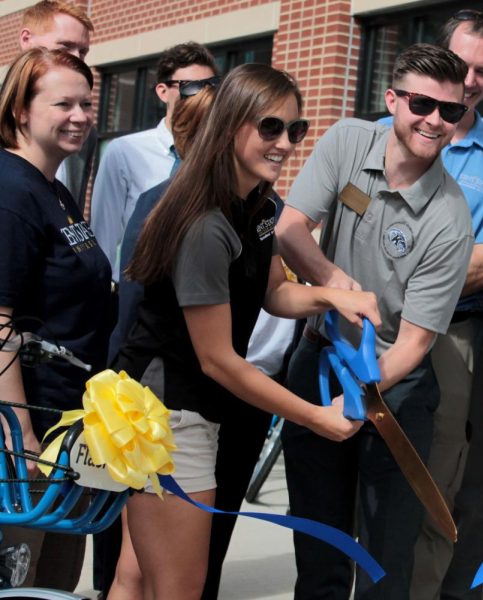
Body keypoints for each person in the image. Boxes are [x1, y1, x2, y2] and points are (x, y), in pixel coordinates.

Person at [105, 63, 380, 600]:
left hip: (169, 407)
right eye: (269, 127)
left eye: (295, 130)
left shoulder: (258, 204)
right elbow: (218, 360)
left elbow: (274, 292)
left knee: (134, 576)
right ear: (232, 125)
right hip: (168, 417)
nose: (285, 143)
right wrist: (313, 417)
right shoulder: (205, 224)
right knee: (179, 588)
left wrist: (332, 293)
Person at [275, 43, 473, 599]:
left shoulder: (450, 218)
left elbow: (413, 344)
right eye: (421, 103)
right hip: (317, 359)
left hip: (393, 388)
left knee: (386, 560)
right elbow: (291, 229)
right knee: (318, 545)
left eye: (450, 111)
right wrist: (334, 284)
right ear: (392, 100)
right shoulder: (346, 141)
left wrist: (357, 398)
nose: (434, 120)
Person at [379, 12, 483, 600]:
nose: (468, 81)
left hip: (456, 335)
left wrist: (394, 286)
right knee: (371, 472)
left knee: (441, 480)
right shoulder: (378, 134)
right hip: (370, 329)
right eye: (461, 64)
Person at [0, 47, 112, 591]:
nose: (80, 116)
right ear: (21, 110)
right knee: (22, 584)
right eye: (63, 103)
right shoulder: (10, 190)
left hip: (69, 432)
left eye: (87, 104)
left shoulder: (54, 189)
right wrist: (17, 433)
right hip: (31, 435)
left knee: (58, 584)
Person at [90, 42, 218, 279]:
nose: (203, 95)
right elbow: (104, 234)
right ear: (162, 91)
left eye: (211, 86)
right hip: (136, 292)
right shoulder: (125, 151)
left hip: (200, 290)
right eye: (191, 87)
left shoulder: (218, 155)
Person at [18, 0, 96, 213]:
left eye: (83, 52)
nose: (76, 58)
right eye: (65, 47)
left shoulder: (84, 132)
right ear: (27, 39)